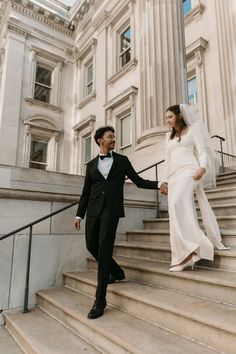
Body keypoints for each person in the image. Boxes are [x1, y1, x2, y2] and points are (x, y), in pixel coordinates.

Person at [75, 126, 160, 319]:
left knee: (104, 251)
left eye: (114, 136)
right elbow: (85, 193)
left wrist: (158, 184)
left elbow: (138, 181)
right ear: (99, 140)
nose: (114, 139)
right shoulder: (90, 165)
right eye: (110, 136)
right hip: (93, 210)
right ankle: (116, 271)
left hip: (111, 211)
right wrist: (79, 215)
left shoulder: (122, 161)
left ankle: (100, 300)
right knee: (91, 245)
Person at [160, 104, 229, 272]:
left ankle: (191, 250)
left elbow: (202, 151)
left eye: (170, 116)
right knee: (174, 209)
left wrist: (203, 167)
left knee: (177, 203)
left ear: (179, 116)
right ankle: (184, 254)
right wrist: (163, 180)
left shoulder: (193, 129)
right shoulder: (167, 137)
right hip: (174, 175)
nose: (167, 120)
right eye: (166, 117)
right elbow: (167, 160)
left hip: (190, 171)